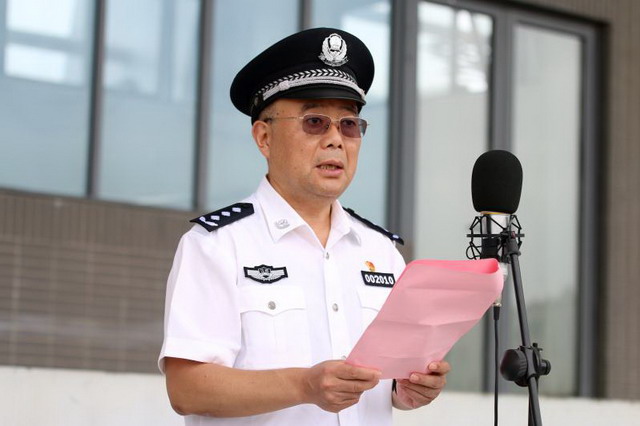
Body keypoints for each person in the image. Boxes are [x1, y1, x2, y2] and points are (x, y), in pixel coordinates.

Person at [159, 27, 450, 426]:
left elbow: (391, 380)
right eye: (315, 122)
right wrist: (304, 386)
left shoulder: (381, 252)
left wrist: (408, 388)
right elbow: (187, 390)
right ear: (264, 137)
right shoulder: (217, 244)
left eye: (349, 125)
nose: (336, 140)